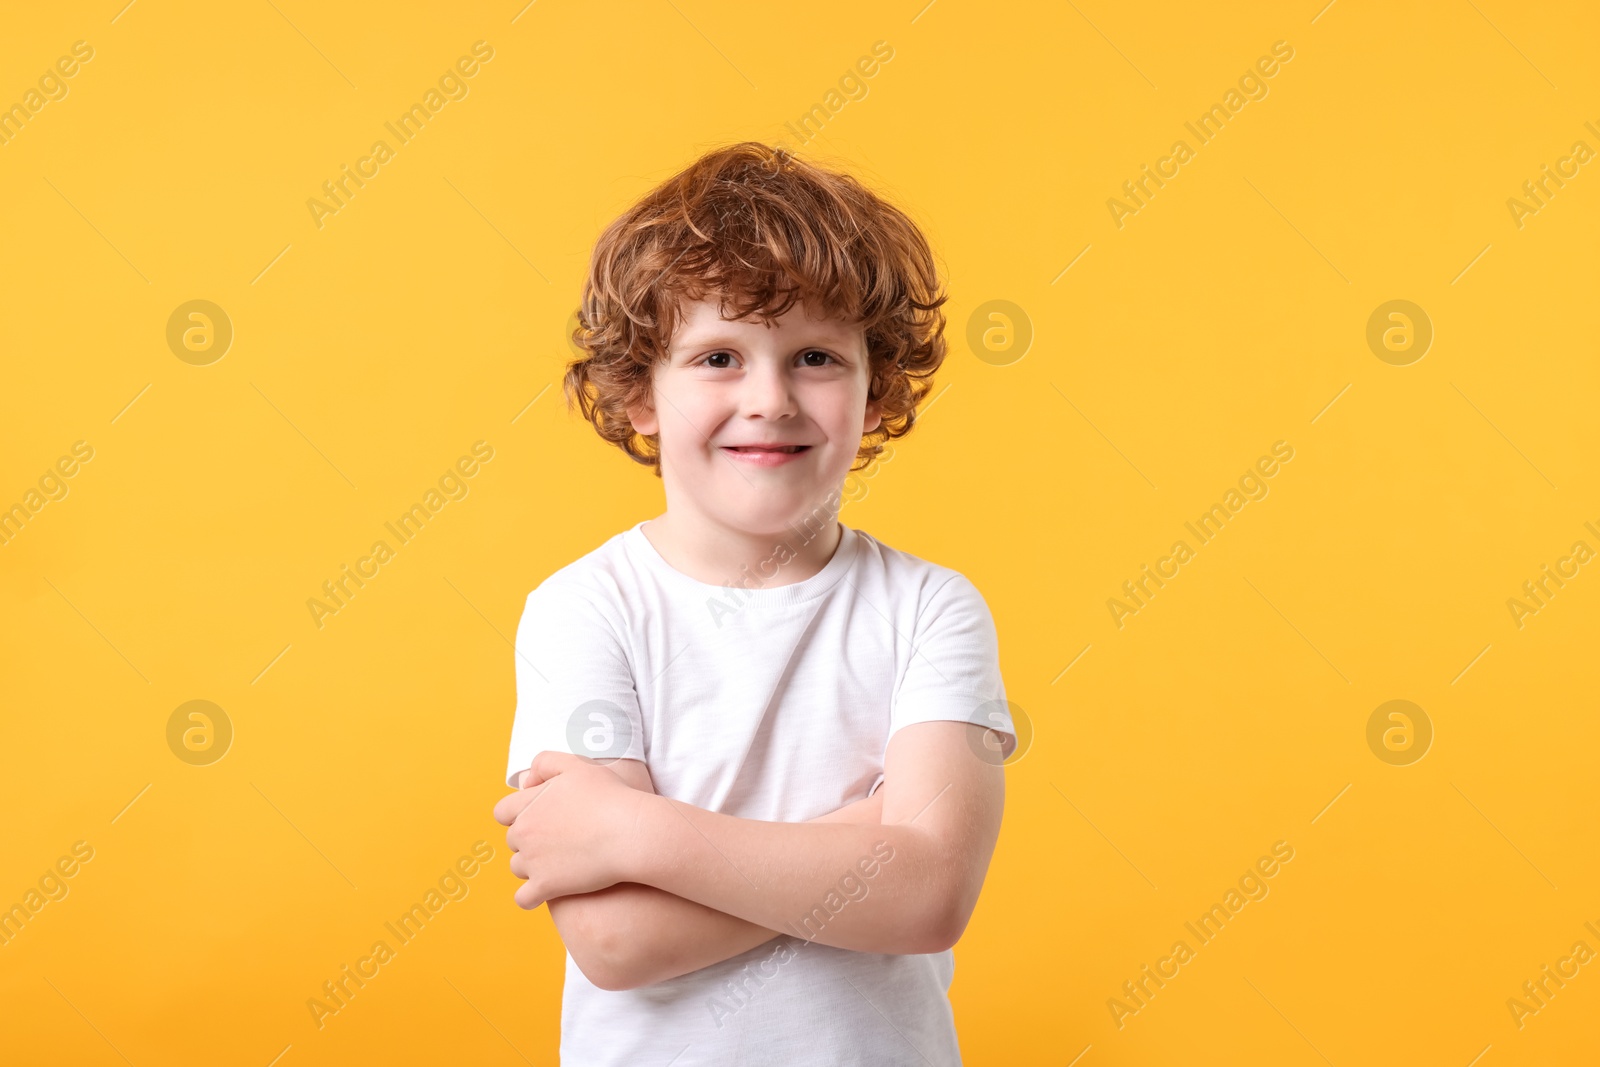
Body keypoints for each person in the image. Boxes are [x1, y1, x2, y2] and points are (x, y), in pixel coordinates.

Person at [493, 141, 1017, 1066]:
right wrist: (874, 842)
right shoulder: (584, 609)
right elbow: (619, 942)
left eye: (815, 355)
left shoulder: (933, 608)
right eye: (719, 357)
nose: (769, 399)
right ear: (637, 392)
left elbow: (932, 896)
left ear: (877, 387)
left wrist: (636, 830)